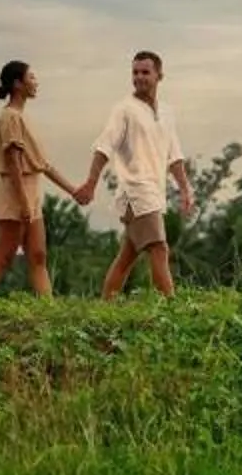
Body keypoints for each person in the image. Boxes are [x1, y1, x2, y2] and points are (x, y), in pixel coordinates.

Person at [71, 48, 195, 297]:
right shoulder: (124, 109)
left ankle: (105, 305)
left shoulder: (167, 113)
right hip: (135, 191)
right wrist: (91, 183)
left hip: (154, 193)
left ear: (159, 75)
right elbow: (104, 147)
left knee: (127, 256)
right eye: (135, 72)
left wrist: (185, 188)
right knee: (160, 248)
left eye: (145, 72)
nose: (139, 77)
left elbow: (175, 156)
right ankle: (171, 308)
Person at [0, 60, 69, 298]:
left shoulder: (23, 118)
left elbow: (42, 164)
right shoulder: (10, 117)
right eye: (31, 77)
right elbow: (13, 162)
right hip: (16, 193)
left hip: (31, 191)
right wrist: (24, 203)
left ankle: (48, 310)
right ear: (18, 83)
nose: (35, 82)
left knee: (38, 256)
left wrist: (73, 190)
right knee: (3, 257)